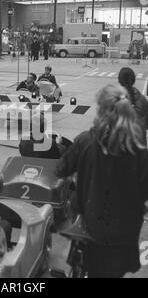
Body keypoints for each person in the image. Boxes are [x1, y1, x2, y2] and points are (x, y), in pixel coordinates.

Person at [56, 84, 148, 278]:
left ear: (101, 110)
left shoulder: (85, 141)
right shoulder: (139, 149)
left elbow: (61, 169)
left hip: (94, 231)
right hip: (125, 233)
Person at [118, 67, 148, 143]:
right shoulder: (143, 99)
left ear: (119, 81)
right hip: (139, 144)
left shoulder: (115, 100)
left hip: (120, 144)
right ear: (134, 80)